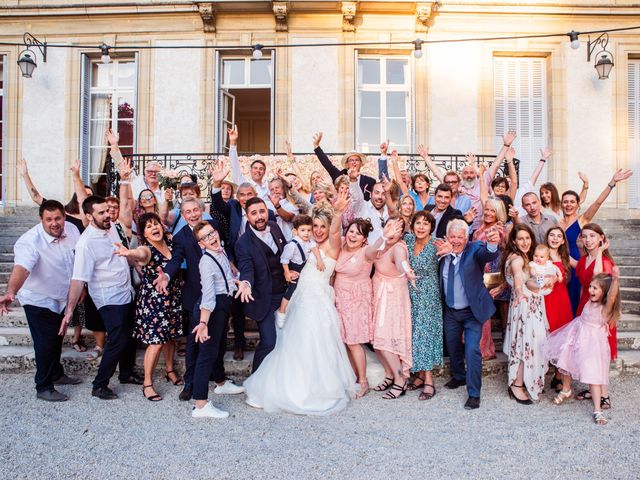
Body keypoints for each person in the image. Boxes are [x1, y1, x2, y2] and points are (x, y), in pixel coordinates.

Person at [242, 196, 357, 415]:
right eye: (315, 226)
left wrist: (338, 212)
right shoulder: (306, 243)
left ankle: (316, 386)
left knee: (316, 341)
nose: (319, 230)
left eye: (323, 226)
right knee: (290, 342)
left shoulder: (333, 246)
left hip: (318, 299)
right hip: (300, 296)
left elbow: (334, 233)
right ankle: (286, 383)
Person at [153, 199, 241, 401]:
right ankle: (190, 383)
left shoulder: (213, 227)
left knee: (218, 341)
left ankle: (219, 380)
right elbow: (176, 260)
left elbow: (221, 252)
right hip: (197, 297)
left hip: (220, 296)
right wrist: (166, 275)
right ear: (182, 216)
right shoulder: (180, 237)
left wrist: (231, 267)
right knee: (194, 343)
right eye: (188, 212)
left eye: (195, 210)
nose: (193, 214)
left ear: (201, 211)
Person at [60, 195, 142, 400]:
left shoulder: (111, 227)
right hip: (108, 298)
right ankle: (99, 385)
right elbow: (78, 279)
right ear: (88, 216)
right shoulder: (85, 243)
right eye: (102, 212)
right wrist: (69, 310)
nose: (107, 215)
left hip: (126, 292)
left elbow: (121, 254)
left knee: (130, 335)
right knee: (117, 339)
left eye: (107, 210)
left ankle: (126, 373)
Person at [0, 200, 82, 401]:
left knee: (56, 338)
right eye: (49, 219)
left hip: (62, 297)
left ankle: (56, 373)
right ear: (41, 220)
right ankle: (43, 387)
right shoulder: (29, 241)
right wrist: (11, 292)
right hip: (38, 299)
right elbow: (22, 268)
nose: (54, 223)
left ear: (65, 216)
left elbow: (79, 260)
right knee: (45, 343)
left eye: (58, 218)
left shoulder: (72, 230)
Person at [114, 213, 184, 401]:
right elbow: (141, 254)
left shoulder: (170, 242)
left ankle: (170, 370)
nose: (154, 227)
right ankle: (147, 384)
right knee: (156, 342)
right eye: (148, 226)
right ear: (143, 234)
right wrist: (130, 253)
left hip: (172, 297)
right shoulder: (146, 249)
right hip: (154, 302)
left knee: (171, 337)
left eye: (156, 224)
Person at [434, 219, 500, 409]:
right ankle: (459, 376)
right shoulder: (441, 249)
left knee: (472, 350)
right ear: (447, 236)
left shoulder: (474, 249)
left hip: (472, 312)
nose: (456, 241)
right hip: (450, 310)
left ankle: (474, 393)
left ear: (466, 237)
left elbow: (488, 254)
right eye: (452, 236)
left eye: (460, 237)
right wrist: (443, 255)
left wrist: (493, 243)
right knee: (452, 346)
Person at [334, 218, 401, 399]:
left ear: (364, 238)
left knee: (354, 341)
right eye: (351, 231)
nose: (353, 235)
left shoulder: (366, 252)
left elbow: (375, 249)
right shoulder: (340, 245)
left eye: (358, 233)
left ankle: (363, 382)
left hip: (357, 301)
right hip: (339, 299)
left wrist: (383, 236)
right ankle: (353, 377)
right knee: (345, 341)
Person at [544, 268, 620, 425]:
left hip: (592, 345)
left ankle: (597, 410)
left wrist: (616, 280)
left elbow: (612, 297)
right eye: (590, 286)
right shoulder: (589, 301)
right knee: (566, 361)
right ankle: (566, 389)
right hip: (576, 336)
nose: (590, 290)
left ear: (604, 292)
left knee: (594, 376)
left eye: (595, 288)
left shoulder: (604, 308)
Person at [559, 168, 633, 313]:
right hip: (562, 266)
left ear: (578, 204)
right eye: (565, 202)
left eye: (572, 202)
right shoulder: (557, 223)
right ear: (561, 204)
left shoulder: (582, 220)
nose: (568, 204)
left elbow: (597, 203)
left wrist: (612, 183)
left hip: (578, 266)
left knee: (577, 300)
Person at [191, 222, 239, 419]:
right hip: (210, 309)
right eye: (205, 237)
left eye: (212, 233)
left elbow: (228, 278)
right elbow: (208, 296)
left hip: (222, 305)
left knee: (219, 347)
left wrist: (240, 283)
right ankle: (201, 405)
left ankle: (220, 383)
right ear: (201, 244)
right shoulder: (206, 262)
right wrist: (203, 323)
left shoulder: (221, 251)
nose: (211, 237)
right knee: (207, 355)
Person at [234, 197, 288, 373]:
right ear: (247, 216)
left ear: (267, 211)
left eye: (262, 211)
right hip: (263, 298)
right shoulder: (243, 243)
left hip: (285, 295)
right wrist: (246, 283)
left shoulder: (274, 226)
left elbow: (286, 252)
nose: (259, 217)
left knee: (287, 339)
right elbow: (246, 267)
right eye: (254, 213)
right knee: (269, 341)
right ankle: (255, 378)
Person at [501, 224, 548, 404]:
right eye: (520, 238)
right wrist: (520, 291)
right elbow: (519, 279)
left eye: (527, 238)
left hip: (532, 307)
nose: (525, 242)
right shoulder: (517, 260)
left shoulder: (526, 257)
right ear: (514, 241)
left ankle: (524, 380)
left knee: (532, 344)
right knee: (523, 345)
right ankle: (517, 384)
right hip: (524, 308)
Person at [371, 216, 416, 400]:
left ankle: (400, 379)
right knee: (376, 341)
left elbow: (401, 262)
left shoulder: (399, 247)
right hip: (379, 294)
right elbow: (369, 254)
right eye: (390, 225)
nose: (392, 230)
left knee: (385, 341)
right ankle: (389, 374)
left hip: (392, 298)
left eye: (397, 229)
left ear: (402, 233)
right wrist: (384, 236)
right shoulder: (381, 244)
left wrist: (408, 271)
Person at [574, 223, 616, 407]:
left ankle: (604, 394)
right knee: (588, 351)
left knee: (599, 352)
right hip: (584, 305)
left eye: (592, 236)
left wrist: (600, 252)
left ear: (601, 238)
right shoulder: (584, 259)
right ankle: (593, 389)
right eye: (585, 236)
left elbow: (599, 280)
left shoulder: (605, 262)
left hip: (600, 311)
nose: (588, 240)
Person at [404, 211, 443, 401]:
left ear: (431, 227)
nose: (421, 227)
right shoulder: (408, 240)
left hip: (428, 293)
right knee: (413, 333)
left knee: (425, 334)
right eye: (418, 223)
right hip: (409, 292)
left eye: (425, 224)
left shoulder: (436, 244)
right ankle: (419, 374)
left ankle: (429, 380)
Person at [472, 198, 508, 361]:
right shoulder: (479, 229)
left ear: (498, 213)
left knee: (483, 316)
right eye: (486, 209)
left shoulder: (498, 229)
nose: (488, 213)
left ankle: (485, 350)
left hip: (489, 277)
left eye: (492, 210)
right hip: (475, 275)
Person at [544, 227, 576, 391]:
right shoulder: (541, 254)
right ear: (547, 237)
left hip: (562, 300)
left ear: (563, 240)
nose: (555, 238)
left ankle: (558, 376)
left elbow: (581, 266)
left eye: (558, 236)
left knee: (562, 340)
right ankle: (538, 376)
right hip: (545, 300)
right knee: (544, 337)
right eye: (552, 235)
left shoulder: (565, 257)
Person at [276, 215, 324, 323]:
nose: (306, 233)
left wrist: (319, 260)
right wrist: (287, 273)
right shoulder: (292, 245)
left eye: (309, 230)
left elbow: (315, 248)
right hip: (294, 268)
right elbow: (284, 260)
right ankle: (282, 310)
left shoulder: (309, 242)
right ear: (295, 231)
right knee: (291, 289)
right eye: (303, 230)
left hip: (304, 268)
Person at [312, 131, 376, 201]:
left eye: (357, 160)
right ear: (347, 164)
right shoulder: (339, 176)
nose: (354, 162)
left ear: (361, 163)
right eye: (351, 160)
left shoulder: (370, 181)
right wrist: (316, 146)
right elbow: (327, 164)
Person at [416, 145, 472, 214]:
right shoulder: (435, 200)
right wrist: (425, 157)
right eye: (448, 182)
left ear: (459, 183)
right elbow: (437, 172)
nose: (451, 184)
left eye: (454, 182)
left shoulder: (465, 200)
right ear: (444, 183)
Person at [227, 125, 270, 200]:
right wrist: (233, 143)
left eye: (261, 169)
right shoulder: (243, 183)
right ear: (250, 170)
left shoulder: (268, 186)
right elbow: (234, 165)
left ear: (264, 172)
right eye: (255, 168)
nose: (258, 171)